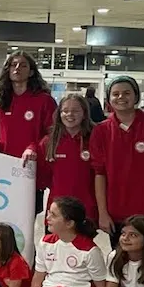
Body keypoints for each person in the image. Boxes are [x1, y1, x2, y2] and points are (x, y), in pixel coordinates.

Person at [91, 75, 144, 248]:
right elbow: (99, 174)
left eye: (126, 93)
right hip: (116, 212)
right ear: (109, 99)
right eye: (115, 94)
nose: (121, 97)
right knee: (120, 265)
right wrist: (102, 213)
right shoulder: (101, 131)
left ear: (136, 96)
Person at [0, 51, 57, 214]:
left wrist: (33, 148)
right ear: (7, 71)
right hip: (5, 173)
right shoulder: (3, 101)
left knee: (26, 221)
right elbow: (0, 136)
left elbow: (52, 133)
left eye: (23, 65)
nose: (17, 68)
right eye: (13, 65)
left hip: (31, 172)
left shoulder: (44, 101)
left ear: (31, 72)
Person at [37, 94, 97, 224]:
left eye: (75, 111)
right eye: (65, 111)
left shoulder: (95, 138)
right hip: (57, 210)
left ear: (84, 113)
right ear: (59, 113)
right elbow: (43, 176)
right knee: (55, 245)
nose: (70, 114)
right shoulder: (49, 141)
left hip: (86, 209)